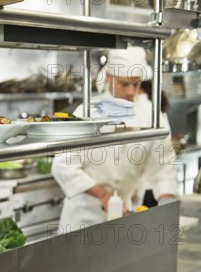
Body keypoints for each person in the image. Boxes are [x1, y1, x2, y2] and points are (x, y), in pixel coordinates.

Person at [52, 47, 178, 231]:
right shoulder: (87, 112)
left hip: (126, 214)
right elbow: (63, 166)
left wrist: (167, 202)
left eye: (135, 84)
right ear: (109, 77)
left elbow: (164, 166)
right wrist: (104, 196)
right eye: (124, 84)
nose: (130, 92)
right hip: (84, 215)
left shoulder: (151, 115)